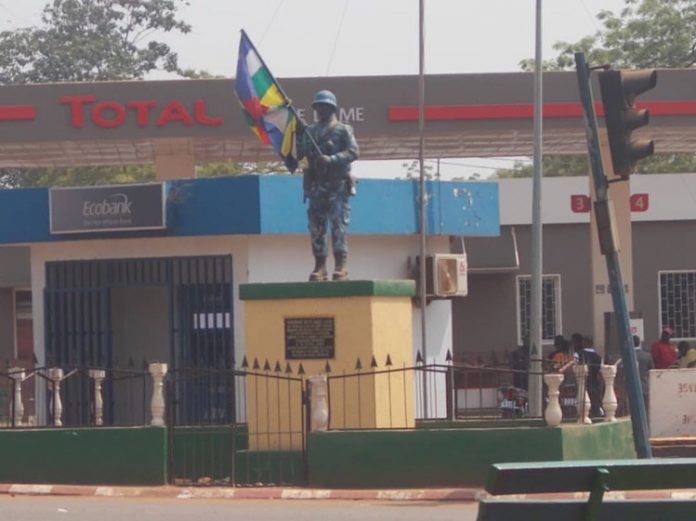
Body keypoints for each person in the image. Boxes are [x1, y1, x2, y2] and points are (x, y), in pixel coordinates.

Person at [296, 90, 359, 282]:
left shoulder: (343, 130)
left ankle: (341, 265)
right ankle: (320, 265)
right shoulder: (310, 132)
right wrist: (299, 139)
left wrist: (332, 159)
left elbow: (353, 152)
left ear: (332, 108)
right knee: (317, 227)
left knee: (338, 226)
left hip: (337, 186)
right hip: (317, 187)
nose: (321, 110)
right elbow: (302, 157)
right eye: (318, 107)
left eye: (324, 106)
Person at [572, 333, 604, 417]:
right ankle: (596, 414)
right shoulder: (599, 357)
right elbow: (601, 372)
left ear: (583, 343)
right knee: (594, 402)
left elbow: (573, 366)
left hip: (581, 382)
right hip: (594, 383)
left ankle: (582, 416)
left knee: (582, 402)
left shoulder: (578, 354)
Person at [632, 335, 654, 414]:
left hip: (632, 386)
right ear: (639, 343)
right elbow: (652, 370)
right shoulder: (647, 355)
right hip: (644, 386)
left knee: (632, 410)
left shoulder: (628, 356)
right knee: (644, 410)